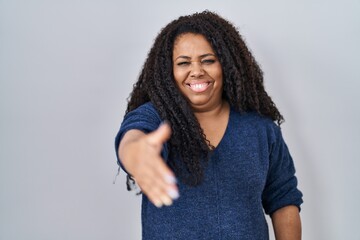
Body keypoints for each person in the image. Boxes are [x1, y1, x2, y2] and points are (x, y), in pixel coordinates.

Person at [114, 11, 303, 240]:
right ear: (168, 72)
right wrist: (137, 153)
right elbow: (133, 137)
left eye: (208, 60)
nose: (196, 71)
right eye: (183, 63)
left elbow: (283, 199)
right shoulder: (156, 117)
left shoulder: (261, 129)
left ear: (227, 64)